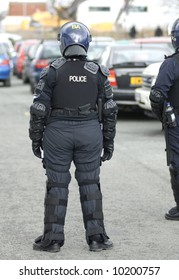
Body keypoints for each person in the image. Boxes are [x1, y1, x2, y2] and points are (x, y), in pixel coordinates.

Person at [29, 21, 118, 252]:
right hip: (89, 133)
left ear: (63, 43)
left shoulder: (52, 71)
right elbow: (109, 110)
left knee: (57, 185)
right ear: (86, 42)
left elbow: (38, 109)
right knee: (90, 183)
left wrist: (35, 139)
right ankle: (97, 238)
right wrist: (108, 142)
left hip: (57, 135)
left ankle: (53, 240)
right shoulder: (97, 72)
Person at [149, 18, 179, 221]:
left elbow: (157, 95)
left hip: (176, 120)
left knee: (177, 163)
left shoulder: (171, 64)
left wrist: (162, 116)